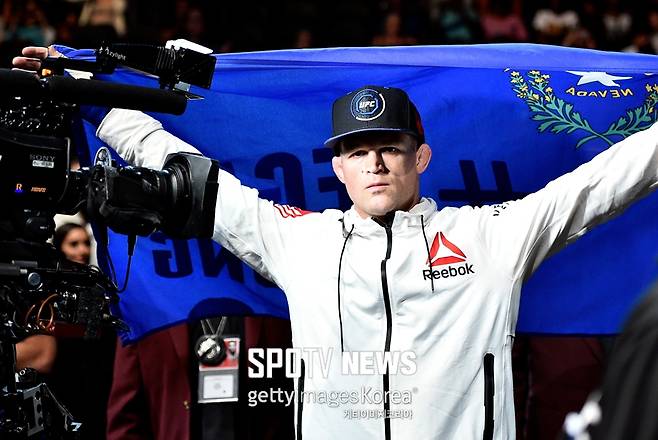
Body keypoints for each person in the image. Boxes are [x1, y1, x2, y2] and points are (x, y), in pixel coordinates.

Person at [14, 47, 658, 439]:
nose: (375, 163)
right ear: (339, 168)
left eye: (390, 148)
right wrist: (85, 96)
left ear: (421, 157)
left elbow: (600, 184)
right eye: (358, 151)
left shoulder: (492, 237)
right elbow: (192, 175)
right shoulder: (301, 242)